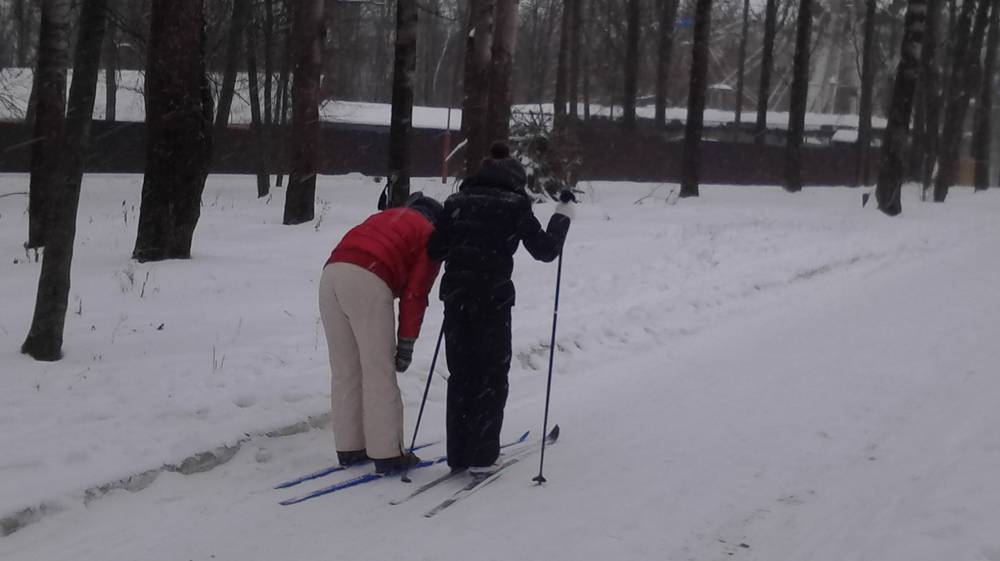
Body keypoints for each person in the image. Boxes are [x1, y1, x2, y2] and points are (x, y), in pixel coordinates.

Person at [427, 142, 575, 476]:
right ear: (514, 180)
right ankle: (483, 455)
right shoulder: (514, 204)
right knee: (491, 375)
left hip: (456, 299)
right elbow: (546, 251)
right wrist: (562, 217)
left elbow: (435, 249)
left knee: (461, 375)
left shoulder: (456, 202)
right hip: (492, 301)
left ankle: (459, 454)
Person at [319, 192, 444, 474]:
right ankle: (388, 454)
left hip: (330, 275)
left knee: (345, 370)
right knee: (378, 370)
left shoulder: (385, 217)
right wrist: (407, 343)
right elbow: (415, 293)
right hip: (369, 278)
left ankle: (350, 448)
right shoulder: (429, 235)